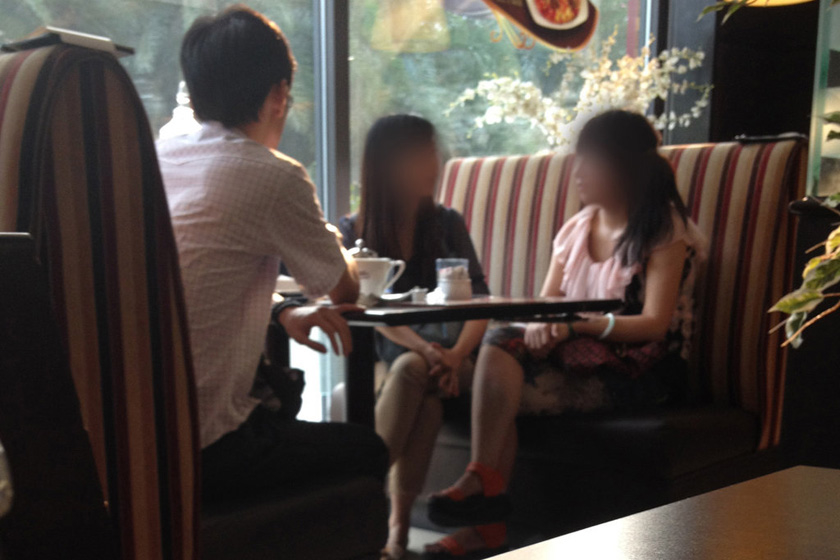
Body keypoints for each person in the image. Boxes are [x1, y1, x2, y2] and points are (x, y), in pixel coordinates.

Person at [424, 110, 708, 558]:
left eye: (590, 161)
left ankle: (485, 515)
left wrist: (573, 326)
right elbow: (545, 304)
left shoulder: (664, 228)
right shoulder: (577, 229)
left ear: (624, 166)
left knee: (501, 388)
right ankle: (483, 488)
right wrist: (543, 325)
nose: (578, 172)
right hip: (577, 356)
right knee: (502, 345)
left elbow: (654, 323)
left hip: (642, 370)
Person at [157, 5, 387, 502]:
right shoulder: (273, 175)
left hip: (140, 437)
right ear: (279, 95)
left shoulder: (157, 158)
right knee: (367, 450)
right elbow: (344, 288)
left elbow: (193, 280)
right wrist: (329, 234)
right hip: (207, 446)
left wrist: (282, 310)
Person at [338, 115, 490, 560]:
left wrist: (455, 354)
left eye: (432, 153)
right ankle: (398, 535)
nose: (434, 163)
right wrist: (425, 349)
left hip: (458, 357)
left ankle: (355, 498)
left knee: (413, 371)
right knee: (423, 393)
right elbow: (367, 307)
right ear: (388, 164)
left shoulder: (446, 223)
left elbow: (482, 302)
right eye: (421, 154)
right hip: (395, 356)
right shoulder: (352, 233)